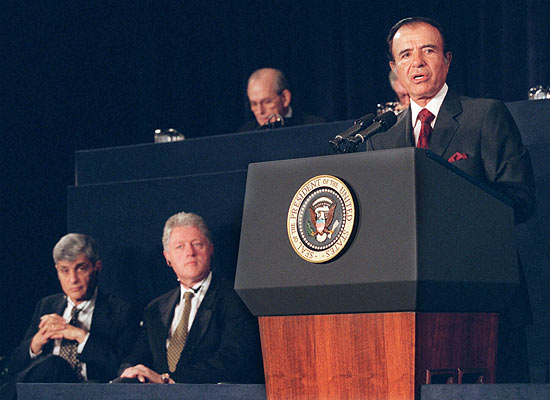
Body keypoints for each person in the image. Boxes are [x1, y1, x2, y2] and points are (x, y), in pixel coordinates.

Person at [368, 17, 536, 383]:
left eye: (428, 50)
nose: (418, 62)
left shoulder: (484, 115)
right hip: (415, 309)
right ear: (395, 69)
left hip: (485, 299)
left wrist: (454, 207)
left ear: (447, 59)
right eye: (406, 55)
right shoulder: (381, 140)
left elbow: (520, 198)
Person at [117, 212, 264, 384]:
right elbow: (138, 354)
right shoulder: (156, 308)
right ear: (168, 257)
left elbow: (234, 358)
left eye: (197, 244)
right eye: (180, 246)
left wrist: (169, 381)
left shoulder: (234, 298)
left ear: (210, 250)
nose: (190, 252)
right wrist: (129, 371)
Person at [1, 234, 140, 397]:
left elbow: (122, 367)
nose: (72, 279)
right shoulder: (47, 305)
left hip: (90, 392)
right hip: (43, 393)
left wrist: (80, 336)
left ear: (97, 267)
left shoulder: (121, 310)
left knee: (54, 364)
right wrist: (36, 343)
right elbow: (12, 367)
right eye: (64, 270)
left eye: (81, 268)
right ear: (57, 271)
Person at [239, 67, 325, 131]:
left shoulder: (315, 127)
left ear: (285, 98)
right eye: (254, 104)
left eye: (267, 102)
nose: (260, 111)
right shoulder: (244, 134)